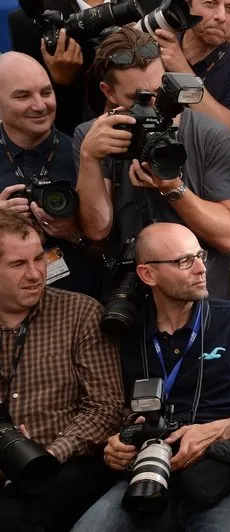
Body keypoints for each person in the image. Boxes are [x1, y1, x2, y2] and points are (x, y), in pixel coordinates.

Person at [71, 222, 230, 532]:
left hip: (224, 474)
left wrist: (218, 431)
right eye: (184, 261)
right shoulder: (125, 332)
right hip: (144, 473)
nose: (201, 268)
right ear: (148, 275)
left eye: (199, 255)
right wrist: (116, 445)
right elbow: (113, 409)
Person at [73, 27, 230, 299]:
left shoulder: (213, 135)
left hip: (203, 297)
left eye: (158, 92)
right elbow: (97, 229)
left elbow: (228, 237)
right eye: (137, 98)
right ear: (109, 92)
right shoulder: (93, 136)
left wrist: (173, 187)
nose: (151, 106)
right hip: (129, 297)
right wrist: (89, 157)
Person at [0, 210, 123, 532]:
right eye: (17, 264)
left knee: (13, 517)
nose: (35, 274)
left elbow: (105, 407)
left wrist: (49, 454)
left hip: (66, 463)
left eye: (39, 258)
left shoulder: (80, 312)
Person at [0, 52, 102, 298]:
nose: (39, 105)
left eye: (46, 92)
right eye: (22, 96)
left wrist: (74, 233)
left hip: (81, 308)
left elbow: (115, 254)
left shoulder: (85, 154)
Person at [152, 0, 230, 141]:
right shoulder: (158, 44)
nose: (221, 16)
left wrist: (183, 71)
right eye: (210, 3)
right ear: (187, 5)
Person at [7, 0, 103, 135]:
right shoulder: (29, 20)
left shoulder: (140, 7)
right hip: (73, 137)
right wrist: (62, 82)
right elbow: (33, 116)